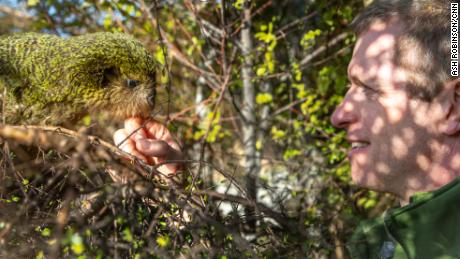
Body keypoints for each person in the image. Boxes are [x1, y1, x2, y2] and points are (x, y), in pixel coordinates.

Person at [330, 0, 460, 258]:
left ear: (452, 107)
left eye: (369, 89)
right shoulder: (375, 244)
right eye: (350, 87)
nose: (338, 116)